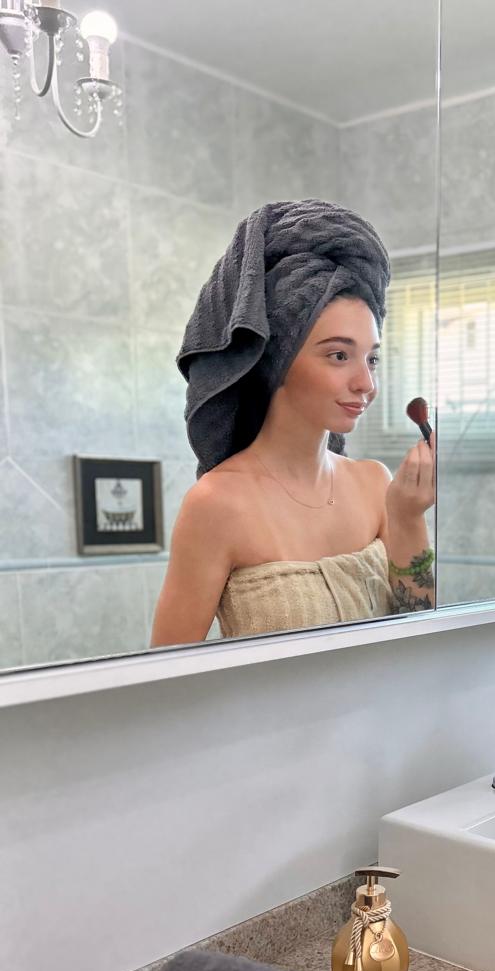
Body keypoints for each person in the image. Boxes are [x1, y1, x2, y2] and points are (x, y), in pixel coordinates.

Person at [151, 200, 434, 645]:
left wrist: (407, 516)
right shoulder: (216, 505)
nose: (366, 383)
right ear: (276, 360)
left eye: (372, 359)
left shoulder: (374, 483)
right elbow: (168, 672)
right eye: (338, 355)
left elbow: (422, 635)